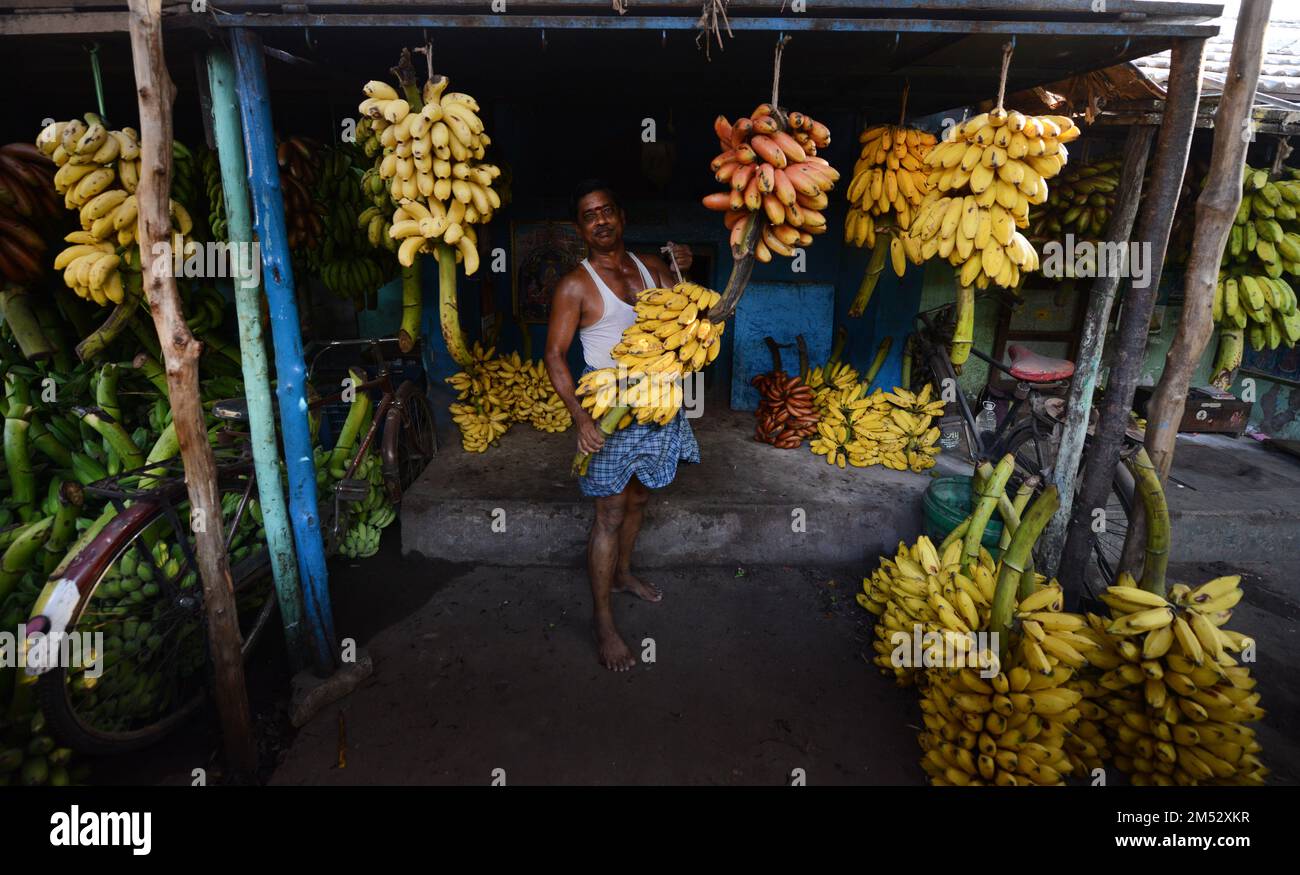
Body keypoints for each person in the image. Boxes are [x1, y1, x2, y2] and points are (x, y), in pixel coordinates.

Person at [543, 179, 698, 672]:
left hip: (657, 400)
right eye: (590, 214)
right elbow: (554, 355)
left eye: (608, 210)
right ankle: (604, 621)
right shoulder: (575, 285)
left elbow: (687, 318)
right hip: (608, 402)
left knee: (641, 496)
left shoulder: (653, 268)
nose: (601, 220)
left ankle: (623, 573)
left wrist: (683, 270)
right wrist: (580, 417)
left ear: (622, 217)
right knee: (608, 511)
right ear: (580, 228)